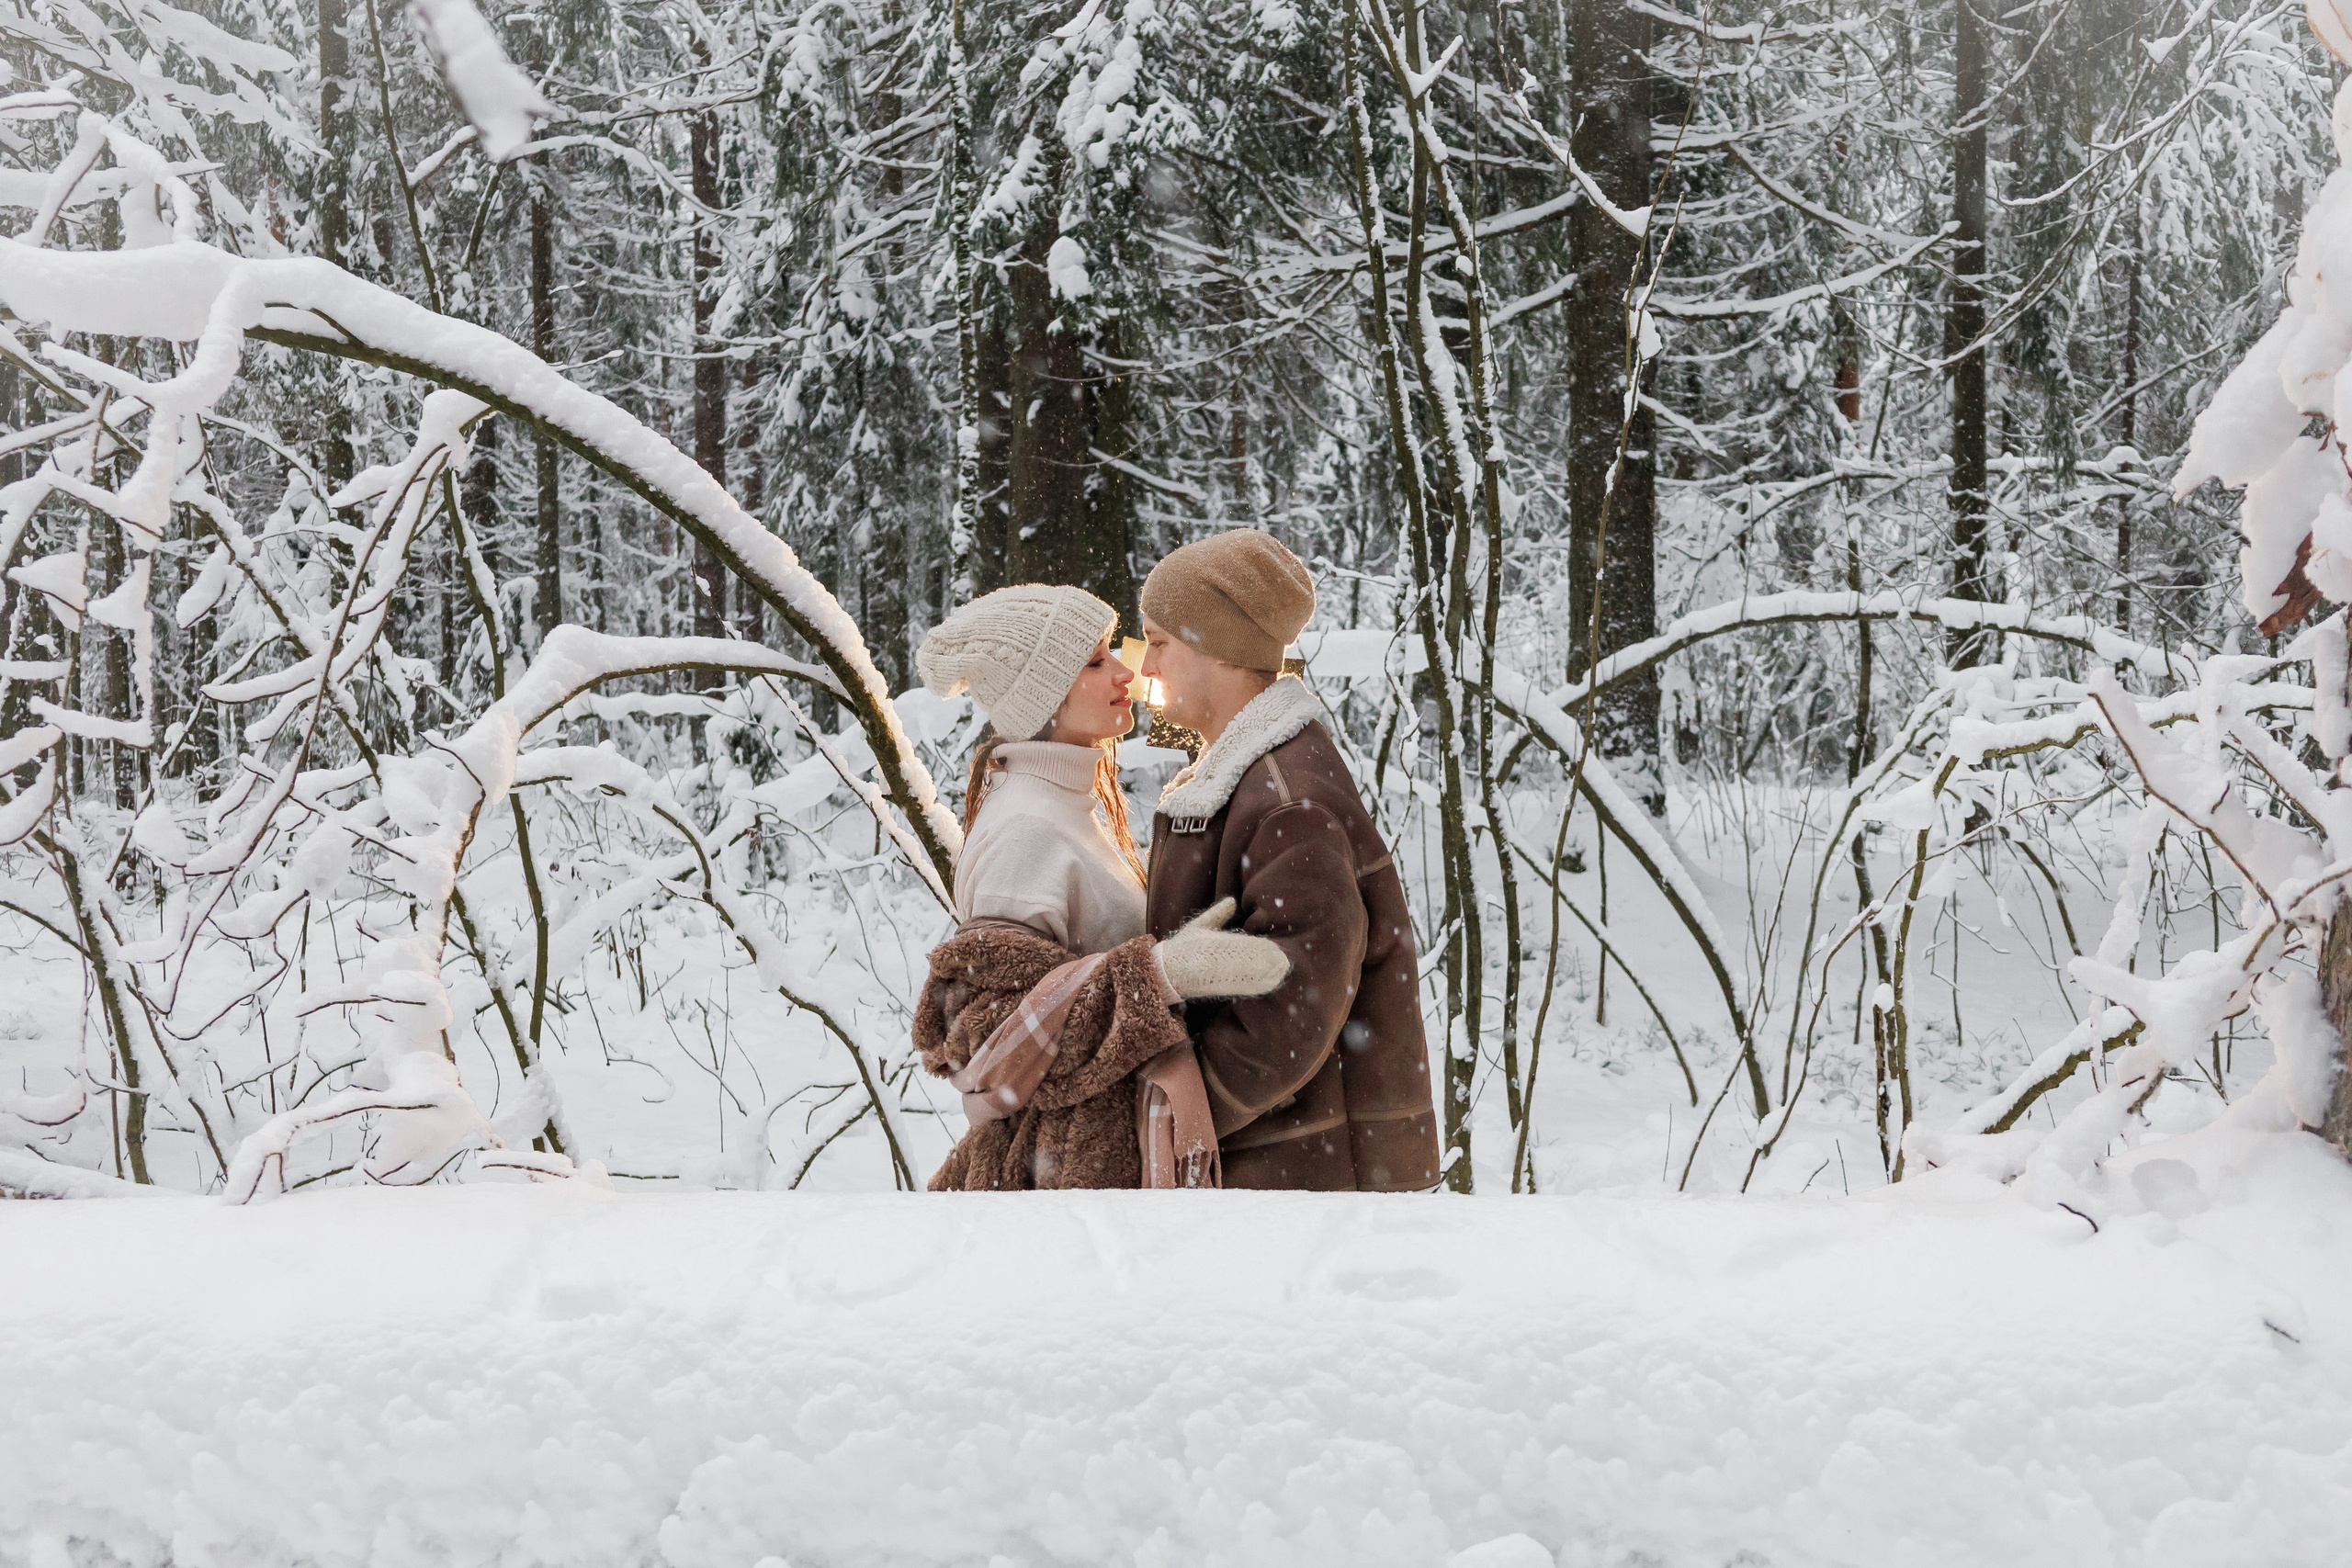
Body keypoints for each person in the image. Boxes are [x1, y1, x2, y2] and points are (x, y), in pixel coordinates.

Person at [910, 584, 1289, 1190]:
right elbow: (985, 1043)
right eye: (1093, 662)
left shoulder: (1068, 806)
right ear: (1044, 699)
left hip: (1087, 1171)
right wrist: (1157, 976)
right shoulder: (1026, 828)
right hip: (1064, 1184)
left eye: (1112, 651)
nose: (1124, 671)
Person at [1138, 531, 1442, 1191]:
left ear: (1219, 647)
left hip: (1309, 1184)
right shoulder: (1249, 778)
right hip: (1289, 1174)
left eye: (1159, 642)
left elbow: (1293, 1004)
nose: (1146, 668)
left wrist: (1178, 1114)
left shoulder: (1286, 801)